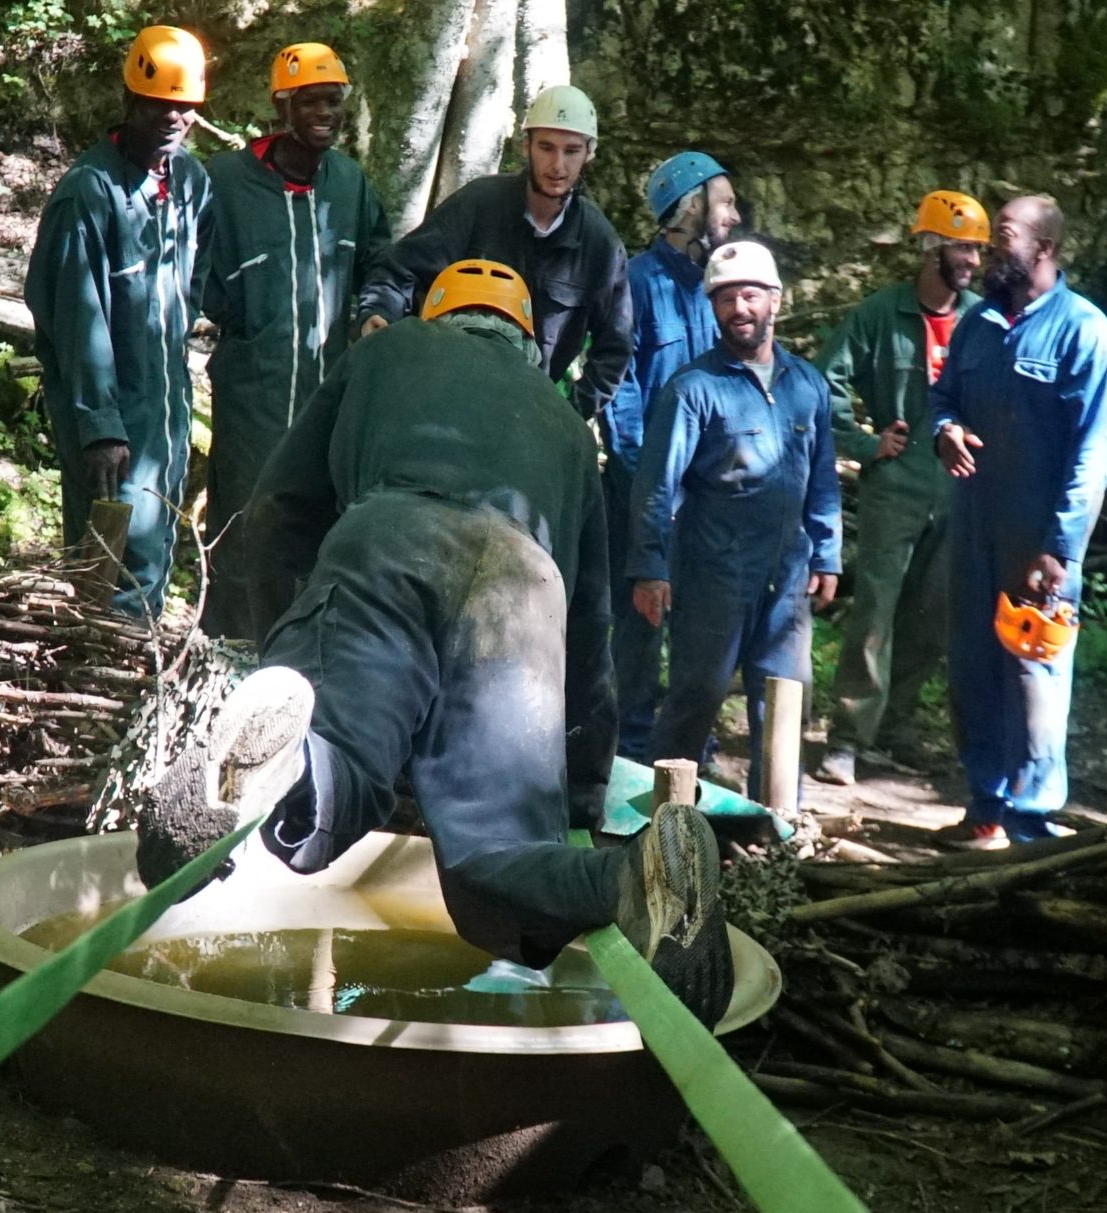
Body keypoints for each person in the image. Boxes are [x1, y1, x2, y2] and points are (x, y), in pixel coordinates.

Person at [136, 260, 732, 1028]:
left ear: (438, 314)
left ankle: (285, 753)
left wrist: (287, 648)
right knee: (497, 867)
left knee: (338, 771)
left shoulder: (385, 351)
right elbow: (591, 636)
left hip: (391, 542)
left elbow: (277, 507)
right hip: (524, 591)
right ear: (530, 341)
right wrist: (581, 799)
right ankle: (631, 875)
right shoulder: (565, 425)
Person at [928, 195, 1107, 850]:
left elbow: (1094, 455)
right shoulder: (978, 324)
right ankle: (986, 810)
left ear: (1044, 248)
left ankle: (1032, 825)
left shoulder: (1084, 331)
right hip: (974, 530)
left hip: (1038, 542)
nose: (989, 245)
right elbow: (942, 397)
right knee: (973, 670)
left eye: (1004, 234)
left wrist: (1061, 547)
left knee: (1034, 675)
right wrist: (944, 430)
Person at [629, 240, 841, 805]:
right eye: (725, 299)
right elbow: (656, 484)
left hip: (787, 573)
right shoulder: (693, 389)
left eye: (750, 295)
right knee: (696, 696)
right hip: (712, 569)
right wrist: (650, 567)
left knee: (786, 702)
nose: (739, 309)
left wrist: (826, 554)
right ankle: (663, 820)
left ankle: (777, 825)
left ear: (776, 299)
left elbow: (822, 477)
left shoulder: (807, 385)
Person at [198, 42, 392, 640]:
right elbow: (191, 267)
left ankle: (300, 660)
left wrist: (374, 312)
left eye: (334, 101)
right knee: (242, 526)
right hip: (252, 396)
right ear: (282, 106)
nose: (325, 113)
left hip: (326, 400)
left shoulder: (349, 184)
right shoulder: (227, 182)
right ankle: (227, 654)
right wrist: (242, 322)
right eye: (311, 102)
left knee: (315, 531)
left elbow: (380, 262)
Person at [25, 26, 214, 616]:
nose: (173, 118)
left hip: (166, 412)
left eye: (185, 107)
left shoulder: (191, 182)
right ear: (130, 100)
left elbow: (194, 285)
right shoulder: (88, 193)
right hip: (111, 421)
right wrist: (100, 428)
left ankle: (138, 660)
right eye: (159, 104)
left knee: (153, 550)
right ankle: (98, 668)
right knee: (109, 563)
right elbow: (74, 322)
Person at [814, 190, 988, 787]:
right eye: (962, 248)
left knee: (934, 615)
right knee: (876, 612)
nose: (972, 261)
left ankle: (895, 730)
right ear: (930, 246)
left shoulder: (985, 320)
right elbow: (823, 386)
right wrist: (865, 445)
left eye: (978, 250)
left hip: (962, 488)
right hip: (896, 484)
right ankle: (847, 738)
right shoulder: (878, 315)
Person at [353, 85, 632, 420]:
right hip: (443, 401)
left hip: (526, 416)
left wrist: (566, 415)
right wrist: (378, 314)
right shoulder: (479, 204)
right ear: (526, 145)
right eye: (546, 147)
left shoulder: (599, 242)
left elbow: (615, 347)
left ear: (589, 153)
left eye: (571, 151)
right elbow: (399, 269)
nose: (558, 165)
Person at [602, 151, 741, 758]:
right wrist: (649, 486)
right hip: (645, 498)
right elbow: (619, 391)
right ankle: (626, 760)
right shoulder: (635, 282)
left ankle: (690, 756)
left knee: (701, 635)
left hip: (710, 499)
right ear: (690, 208)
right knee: (635, 635)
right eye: (724, 202)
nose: (734, 215)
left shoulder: (724, 288)